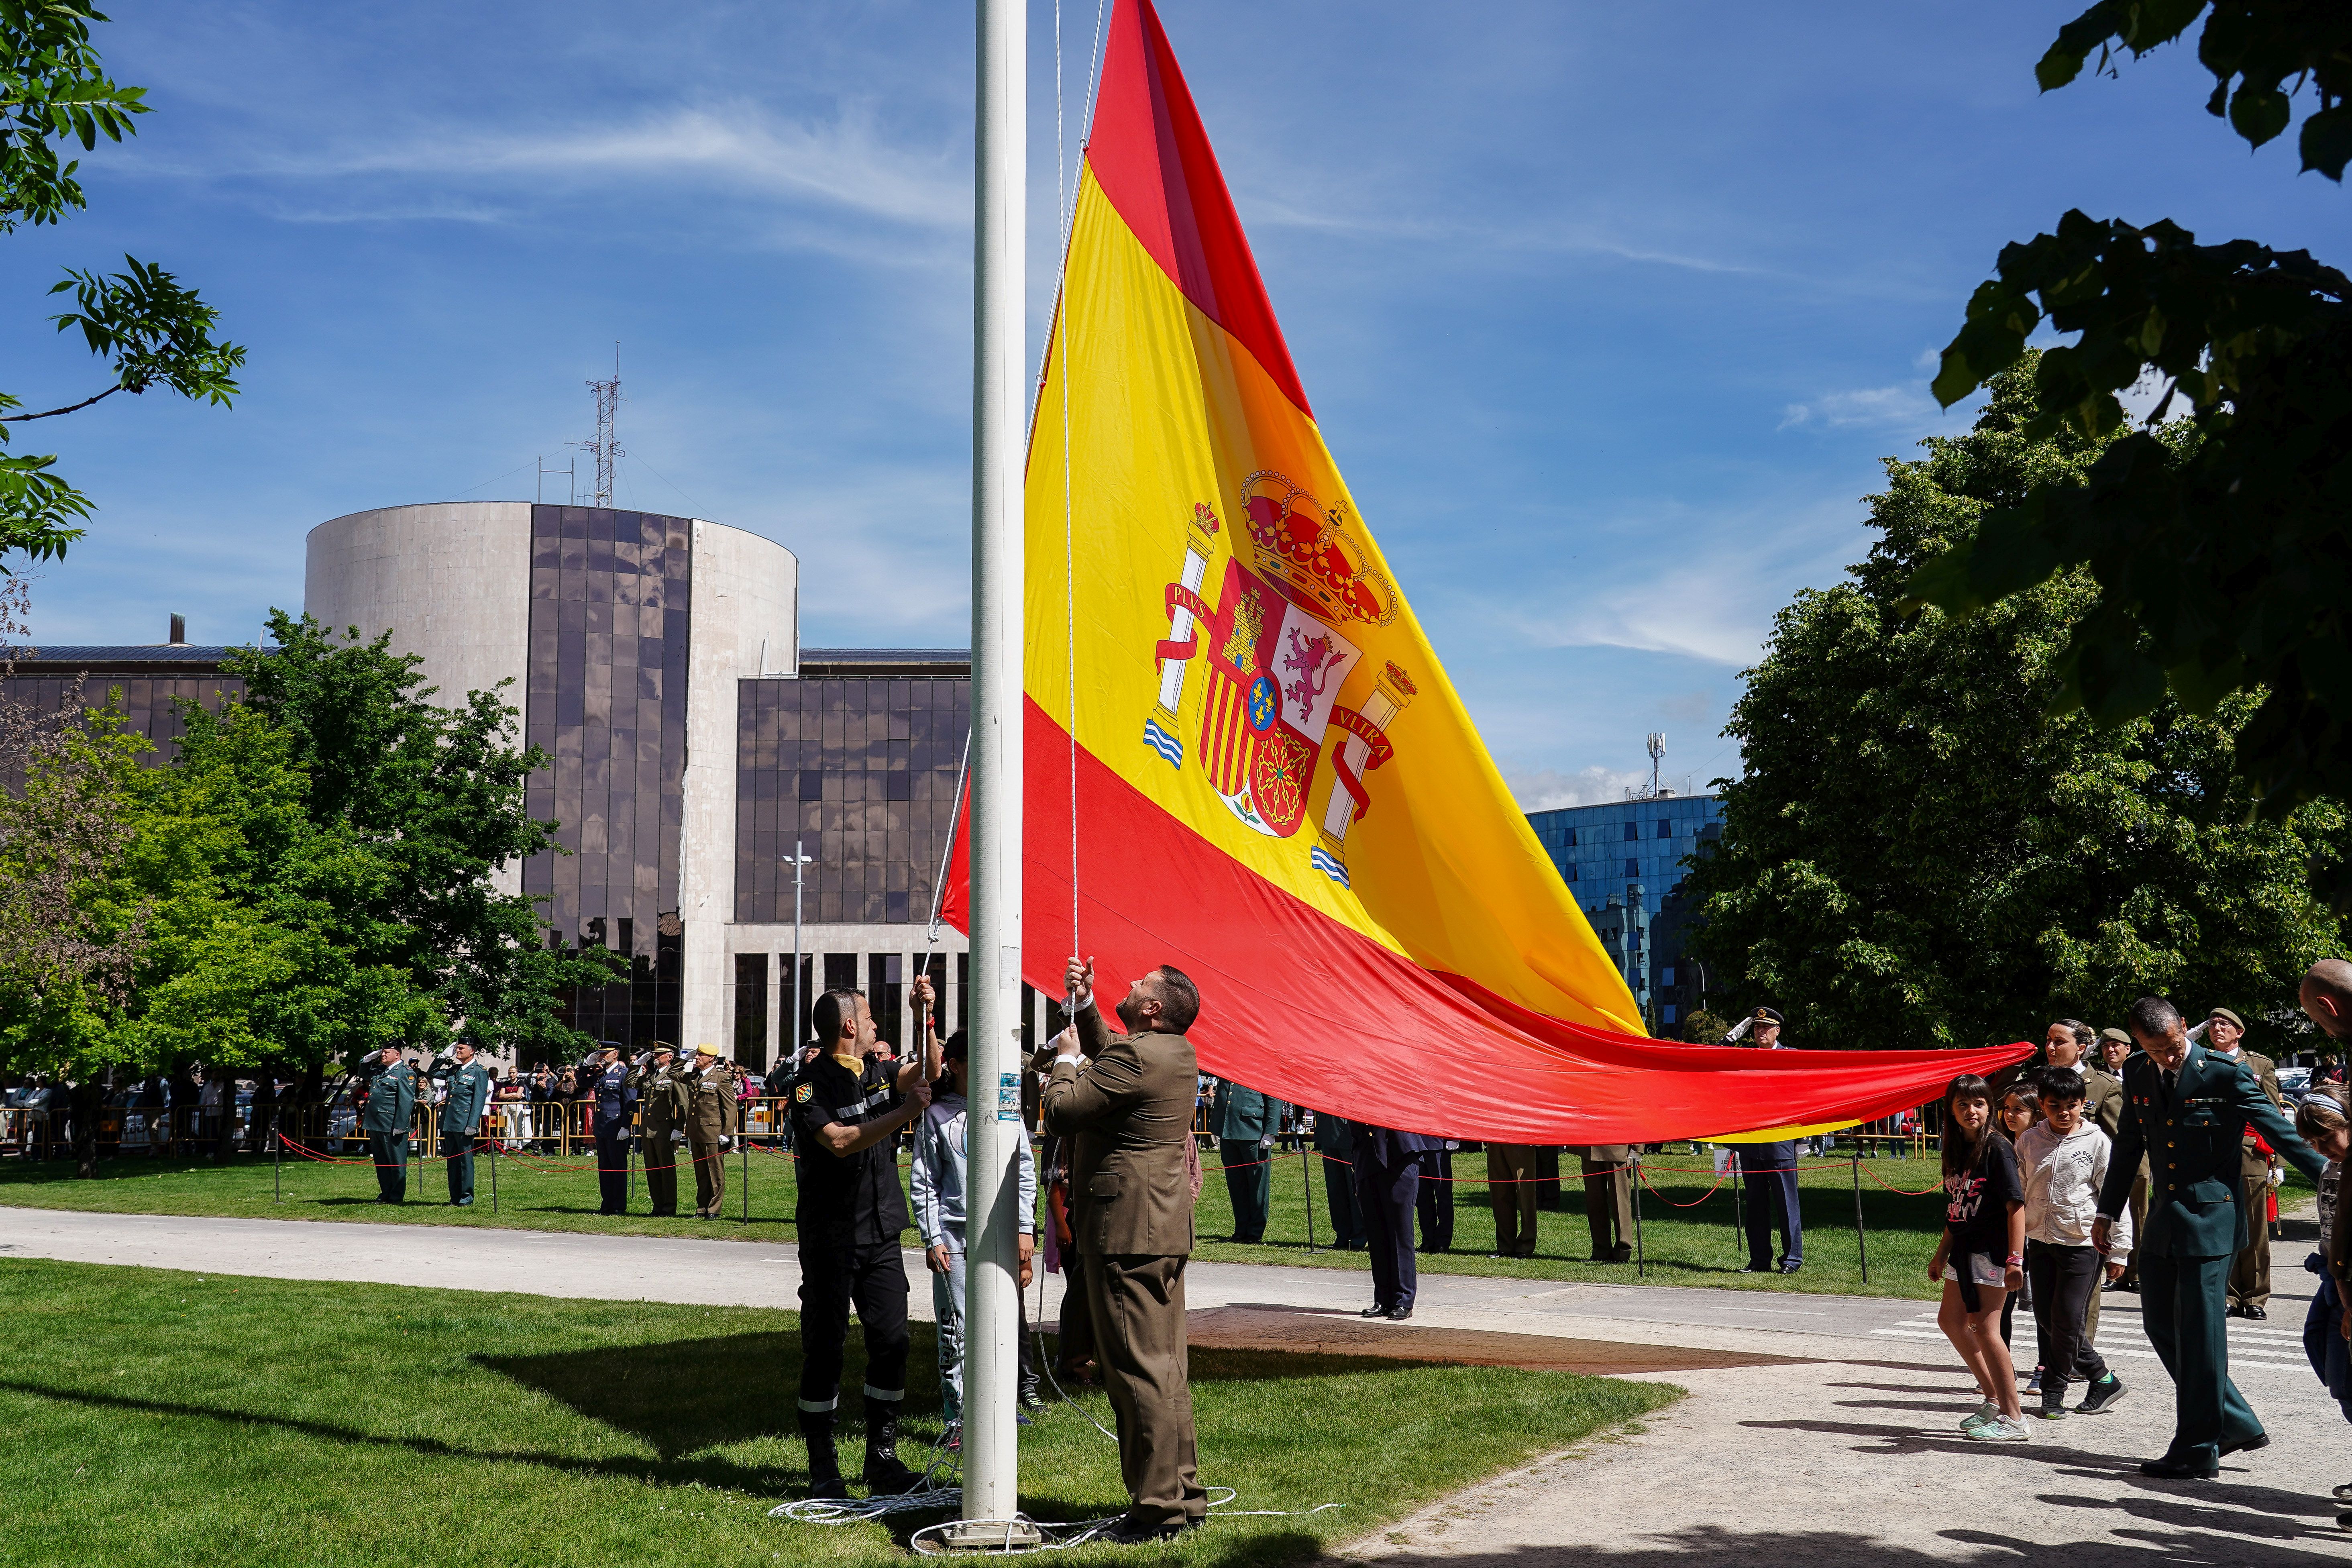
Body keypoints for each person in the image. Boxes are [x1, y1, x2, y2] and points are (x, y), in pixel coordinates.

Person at [2093, 993, 2326, 1478]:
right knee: (2159, 1326)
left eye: (2173, 1045)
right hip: (2162, 1221)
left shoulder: (2224, 1072)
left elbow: (2278, 1132)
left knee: (2201, 1337)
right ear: (2137, 1042)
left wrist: (2334, 1179)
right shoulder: (2137, 1072)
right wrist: (2106, 1212)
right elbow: (2128, 1146)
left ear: (2184, 1026)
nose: (2167, 1057)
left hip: (2211, 1223)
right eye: (2155, 1049)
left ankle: (2198, 1447)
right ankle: (2236, 1421)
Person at [1040, 954, 1209, 1544]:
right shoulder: (1173, 1052)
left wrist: (1064, 1062)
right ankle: (1183, 1493)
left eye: (1140, 985)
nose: (1129, 985)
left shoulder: (1137, 1056)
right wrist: (1084, 1009)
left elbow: (1062, 1113)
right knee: (1166, 1369)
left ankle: (1156, 1507)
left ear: (1154, 1008)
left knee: (1134, 1372)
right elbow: (1113, 1052)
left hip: (1125, 1233)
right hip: (1159, 1229)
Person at [789, 983, 936, 1499]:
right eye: (871, 1016)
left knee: (892, 1342)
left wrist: (927, 1018)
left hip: (880, 1232)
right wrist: (902, 1115)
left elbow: (930, 1074)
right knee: (825, 1349)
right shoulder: (810, 1085)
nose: (877, 1024)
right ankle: (822, 1464)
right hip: (831, 1237)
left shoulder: (876, 1068)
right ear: (849, 1025)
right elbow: (841, 1140)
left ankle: (882, 1456)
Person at [911, 1027, 1041, 1433]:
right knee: (958, 1333)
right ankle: (959, 1420)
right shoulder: (936, 1115)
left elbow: (1022, 1168)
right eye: (977, 1060)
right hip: (953, 1242)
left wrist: (1023, 1228)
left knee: (1000, 1326)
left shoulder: (1006, 1108)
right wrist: (933, 1236)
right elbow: (925, 1181)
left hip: (1001, 1236)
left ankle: (999, 1409)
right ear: (955, 1065)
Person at [2018, 1066, 2130, 1420]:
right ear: (2041, 1105)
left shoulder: (2097, 1142)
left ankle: (2054, 1391)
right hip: (2039, 1239)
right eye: (2055, 1105)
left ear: (2084, 1104)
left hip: (2083, 1242)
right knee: (2046, 1317)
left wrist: (2120, 1250)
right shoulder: (2029, 1141)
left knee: (2066, 1318)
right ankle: (2104, 1378)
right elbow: (2019, 1192)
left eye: (2072, 1104)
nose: (2064, 1112)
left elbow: (2116, 1198)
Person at [1930, 1073, 2029, 1442]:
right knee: (1951, 1321)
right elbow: (1957, 1208)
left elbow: (2015, 1206)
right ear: (1951, 1111)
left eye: (1979, 1104)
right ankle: (1992, 1396)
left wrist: (2015, 1259)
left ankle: (2015, 1417)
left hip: (1994, 1252)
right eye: (1962, 1104)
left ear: (1990, 1108)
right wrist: (1941, 1254)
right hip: (1962, 1250)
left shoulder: (1997, 1148)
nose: (1971, 1111)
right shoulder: (1956, 1149)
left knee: (1988, 1329)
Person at [2204, 1007, 2287, 1320]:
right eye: (2212, 1024)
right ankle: (2229, 1294)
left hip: (2250, 1153)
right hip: (2213, 1154)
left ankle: (2255, 1296)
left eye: (2224, 1023)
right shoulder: (2202, 1062)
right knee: (2222, 1226)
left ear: (2239, 1032)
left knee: (2253, 1228)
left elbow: (2271, 1113)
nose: (2217, 1028)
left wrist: (2273, 1158)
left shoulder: (2259, 1064)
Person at [2289, 1085, 2352, 1444]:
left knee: (2345, 1378)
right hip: (2331, 1274)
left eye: (2326, 1137)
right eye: (2312, 1143)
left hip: (2348, 1283)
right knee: (2319, 1347)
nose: (2321, 1149)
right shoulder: (2333, 1167)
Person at [1734, 1007, 1803, 1274]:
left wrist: (1803, 1139)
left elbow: (1802, 1099)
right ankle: (1759, 1258)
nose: (1760, 1032)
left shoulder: (1791, 1057)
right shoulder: (1745, 1058)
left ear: (1778, 1031)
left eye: (1766, 1027)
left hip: (1781, 1141)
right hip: (1752, 1141)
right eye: (1756, 1028)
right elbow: (1714, 1059)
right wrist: (1731, 1037)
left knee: (1787, 1204)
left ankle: (1792, 1259)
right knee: (1755, 1205)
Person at [1353, 1120, 1443, 1318]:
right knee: (1377, 1233)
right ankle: (1383, 1298)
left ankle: (1404, 1299)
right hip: (1367, 1155)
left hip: (1400, 1153)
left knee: (1400, 1232)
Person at [1207, 1076, 1286, 1244]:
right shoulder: (1227, 1060)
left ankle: (1255, 1232)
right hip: (1228, 1128)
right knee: (1236, 1184)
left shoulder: (1261, 1061)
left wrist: (1271, 1131)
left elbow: (1274, 1095)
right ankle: (1241, 1229)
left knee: (1257, 1185)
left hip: (1253, 1129)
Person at [1994, 1082, 2040, 1364]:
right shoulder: (2001, 1144)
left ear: (2036, 1112)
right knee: (2003, 1304)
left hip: (2037, 1232)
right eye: (2006, 1109)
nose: (2010, 1115)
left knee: (2042, 1307)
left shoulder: (2043, 1145)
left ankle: (2045, 1366)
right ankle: (2003, 1363)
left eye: (2018, 1110)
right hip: (2006, 1233)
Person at [683, 1043, 739, 1219]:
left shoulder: (721, 1077)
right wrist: (684, 1059)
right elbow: (672, 1073)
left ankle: (714, 1209)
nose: (697, 1058)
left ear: (711, 1059)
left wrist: (727, 1132)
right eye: (696, 1054)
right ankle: (702, 1208)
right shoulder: (695, 1076)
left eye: (701, 1055)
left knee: (715, 1173)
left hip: (713, 1132)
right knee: (701, 1173)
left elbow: (731, 1106)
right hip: (696, 1131)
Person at [356, 1046, 418, 1204]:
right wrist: (368, 1059)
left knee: (396, 1162)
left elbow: (406, 1101)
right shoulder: (380, 1071)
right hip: (376, 1123)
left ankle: (396, 1196)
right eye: (382, 1052)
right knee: (382, 1162)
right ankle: (385, 1193)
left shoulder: (405, 1072)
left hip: (391, 1123)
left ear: (397, 1055)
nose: (383, 1055)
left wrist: (401, 1125)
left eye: (386, 1052)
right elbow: (363, 1073)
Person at [631, 1044, 687, 1217]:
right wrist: (637, 1065)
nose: (655, 1056)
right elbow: (631, 1083)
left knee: (666, 1169)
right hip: (648, 1128)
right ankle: (657, 1206)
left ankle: (669, 1207)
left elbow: (683, 1103)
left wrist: (679, 1128)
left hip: (664, 1128)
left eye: (659, 1054)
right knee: (652, 1169)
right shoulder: (650, 1074)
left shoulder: (674, 1075)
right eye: (655, 1054)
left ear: (669, 1057)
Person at [439, 1039, 493, 1207]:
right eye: (457, 1048)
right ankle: (454, 1196)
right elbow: (432, 1072)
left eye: (461, 1048)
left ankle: (466, 1197)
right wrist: (442, 1057)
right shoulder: (454, 1070)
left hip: (464, 1123)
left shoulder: (479, 1071)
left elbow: (478, 1101)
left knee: (465, 1161)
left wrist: (472, 1124)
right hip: (450, 1122)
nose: (458, 1051)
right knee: (452, 1161)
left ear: (472, 1051)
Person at [585, 1043, 636, 1217]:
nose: (602, 1057)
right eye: (600, 1054)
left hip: (616, 1127)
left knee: (618, 1167)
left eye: (605, 1054)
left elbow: (630, 1102)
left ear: (615, 1054)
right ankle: (607, 1204)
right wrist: (588, 1064)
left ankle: (619, 1206)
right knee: (605, 1168)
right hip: (602, 1127)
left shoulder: (624, 1074)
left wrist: (625, 1126)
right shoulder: (601, 1074)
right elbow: (582, 1082)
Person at [1575, 1144, 1635, 1263]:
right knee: (1594, 1200)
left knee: (1620, 1202)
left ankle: (1623, 1252)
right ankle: (1600, 1251)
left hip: (1618, 1146)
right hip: (1589, 1145)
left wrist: (1637, 1149)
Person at [1315, 1111, 1364, 1250]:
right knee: (1335, 1188)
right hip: (1328, 1129)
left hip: (1349, 1130)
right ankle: (1342, 1234)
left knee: (1353, 1188)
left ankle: (1359, 1236)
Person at [1486, 1141, 1539, 1259]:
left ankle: (1526, 1246)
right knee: (1499, 1192)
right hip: (1495, 1137)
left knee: (1525, 1195)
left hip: (1521, 1137)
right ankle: (1505, 1246)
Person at [1416, 1138, 1459, 1253]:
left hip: (1438, 1143)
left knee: (1443, 1195)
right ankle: (1427, 1241)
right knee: (1422, 1197)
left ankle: (1442, 1243)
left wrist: (1454, 1138)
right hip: (1418, 1142)